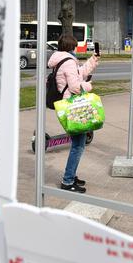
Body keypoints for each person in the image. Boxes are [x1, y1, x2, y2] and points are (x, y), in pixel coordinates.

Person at [47, 34, 99, 193]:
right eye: (75, 46)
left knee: (78, 144)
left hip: (70, 105)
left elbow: (79, 73)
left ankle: (71, 175)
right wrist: (88, 86)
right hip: (74, 107)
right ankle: (67, 181)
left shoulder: (62, 60)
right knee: (78, 145)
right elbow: (76, 87)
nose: (76, 48)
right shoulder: (68, 62)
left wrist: (93, 60)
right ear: (71, 47)